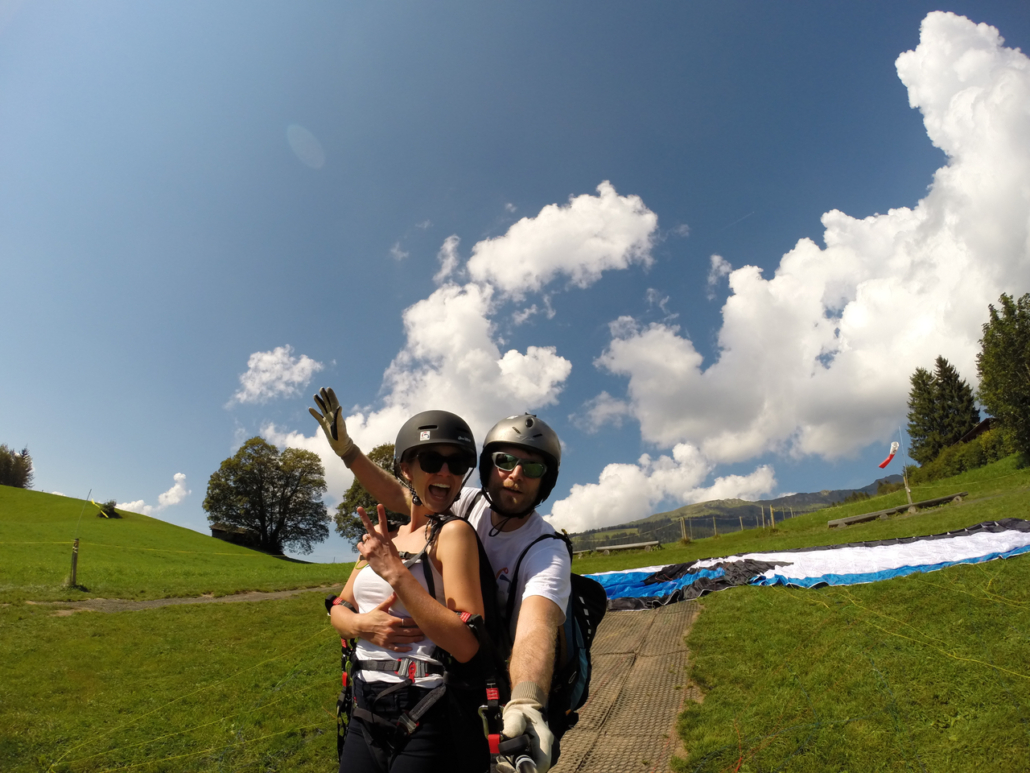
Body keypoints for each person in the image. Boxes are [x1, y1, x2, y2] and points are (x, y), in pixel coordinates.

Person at [312, 389, 572, 773]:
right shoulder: (467, 504)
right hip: (369, 698)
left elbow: (537, 625)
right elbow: (405, 494)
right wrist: (348, 452)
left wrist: (527, 700)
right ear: (488, 468)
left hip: (469, 674)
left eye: (532, 468)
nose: (516, 475)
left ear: (545, 481)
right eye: (505, 461)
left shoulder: (544, 550)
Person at [322, 409, 490, 773]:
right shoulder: (385, 536)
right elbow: (339, 608)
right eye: (432, 460)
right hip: (363, 703)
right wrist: (363, 626)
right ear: (405, 469)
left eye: (458, 463)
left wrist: (397, 572)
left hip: (425, 710)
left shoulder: (453, 535)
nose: (446, 472)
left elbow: (467, 645)